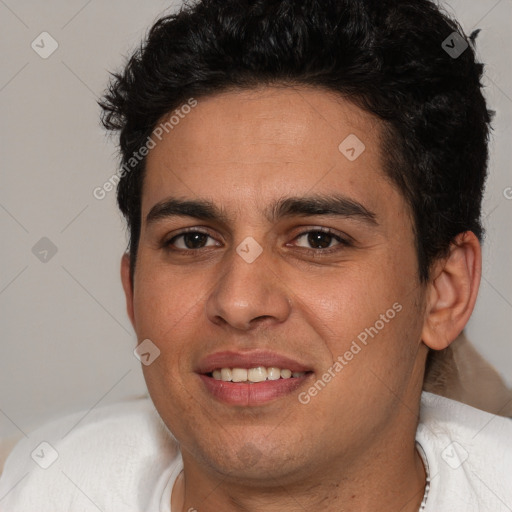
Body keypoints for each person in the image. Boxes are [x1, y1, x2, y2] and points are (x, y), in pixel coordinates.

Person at [1, 0, 511, 510]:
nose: (239, 302)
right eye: (193, 240)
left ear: (444, 292)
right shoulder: (41, 488)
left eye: (318, 239)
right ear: (132, 290)